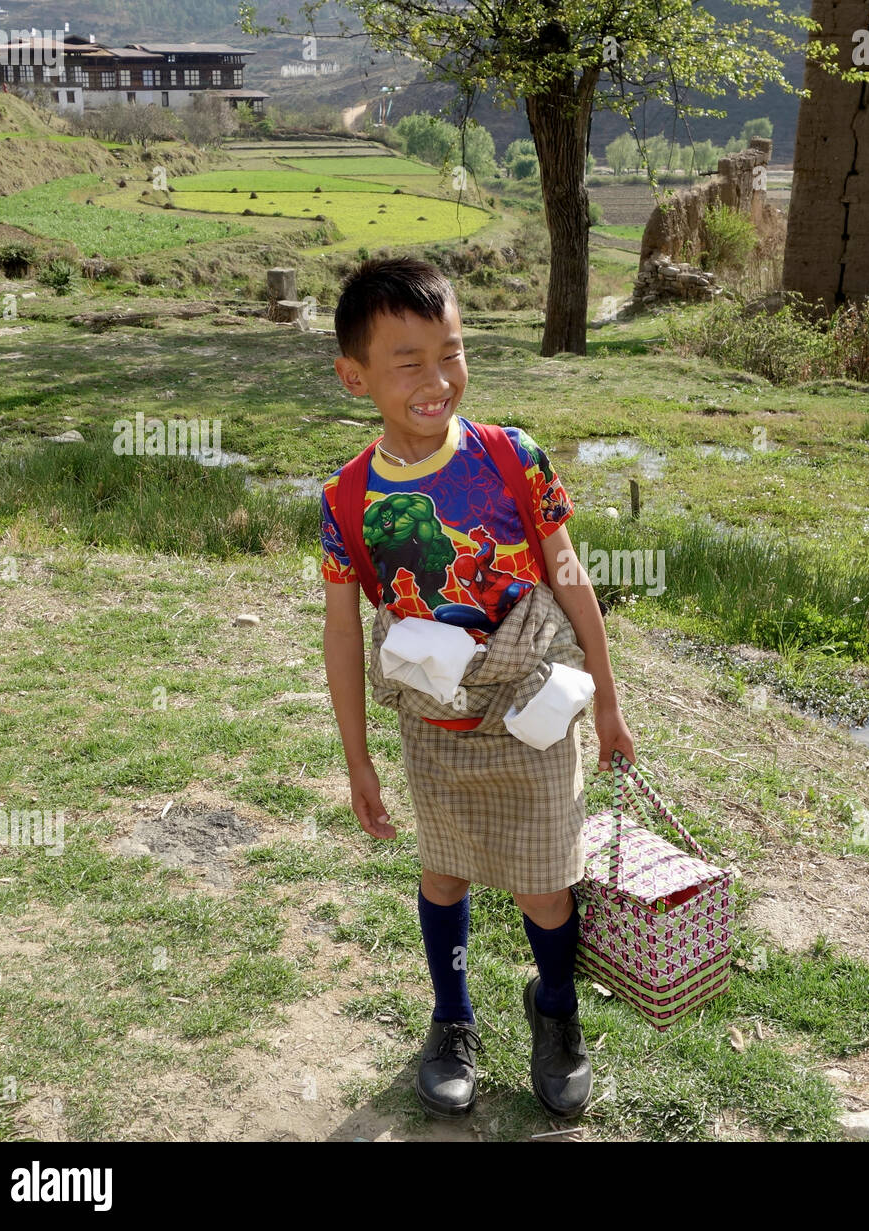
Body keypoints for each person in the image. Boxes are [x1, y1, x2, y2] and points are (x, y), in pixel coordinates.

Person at [319, 257, 635, 1122]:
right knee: (445, 873)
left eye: (451, 353)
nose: (437, 379)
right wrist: (359, 762)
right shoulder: (348, 499)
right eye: (408, 361)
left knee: (546, 885)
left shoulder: (511, 458)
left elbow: (569, 575)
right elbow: (344, 637)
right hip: (436, 723)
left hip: (534, 709)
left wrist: (607, 694)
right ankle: (452, 1017)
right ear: (356, 377)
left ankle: (558, 1008)